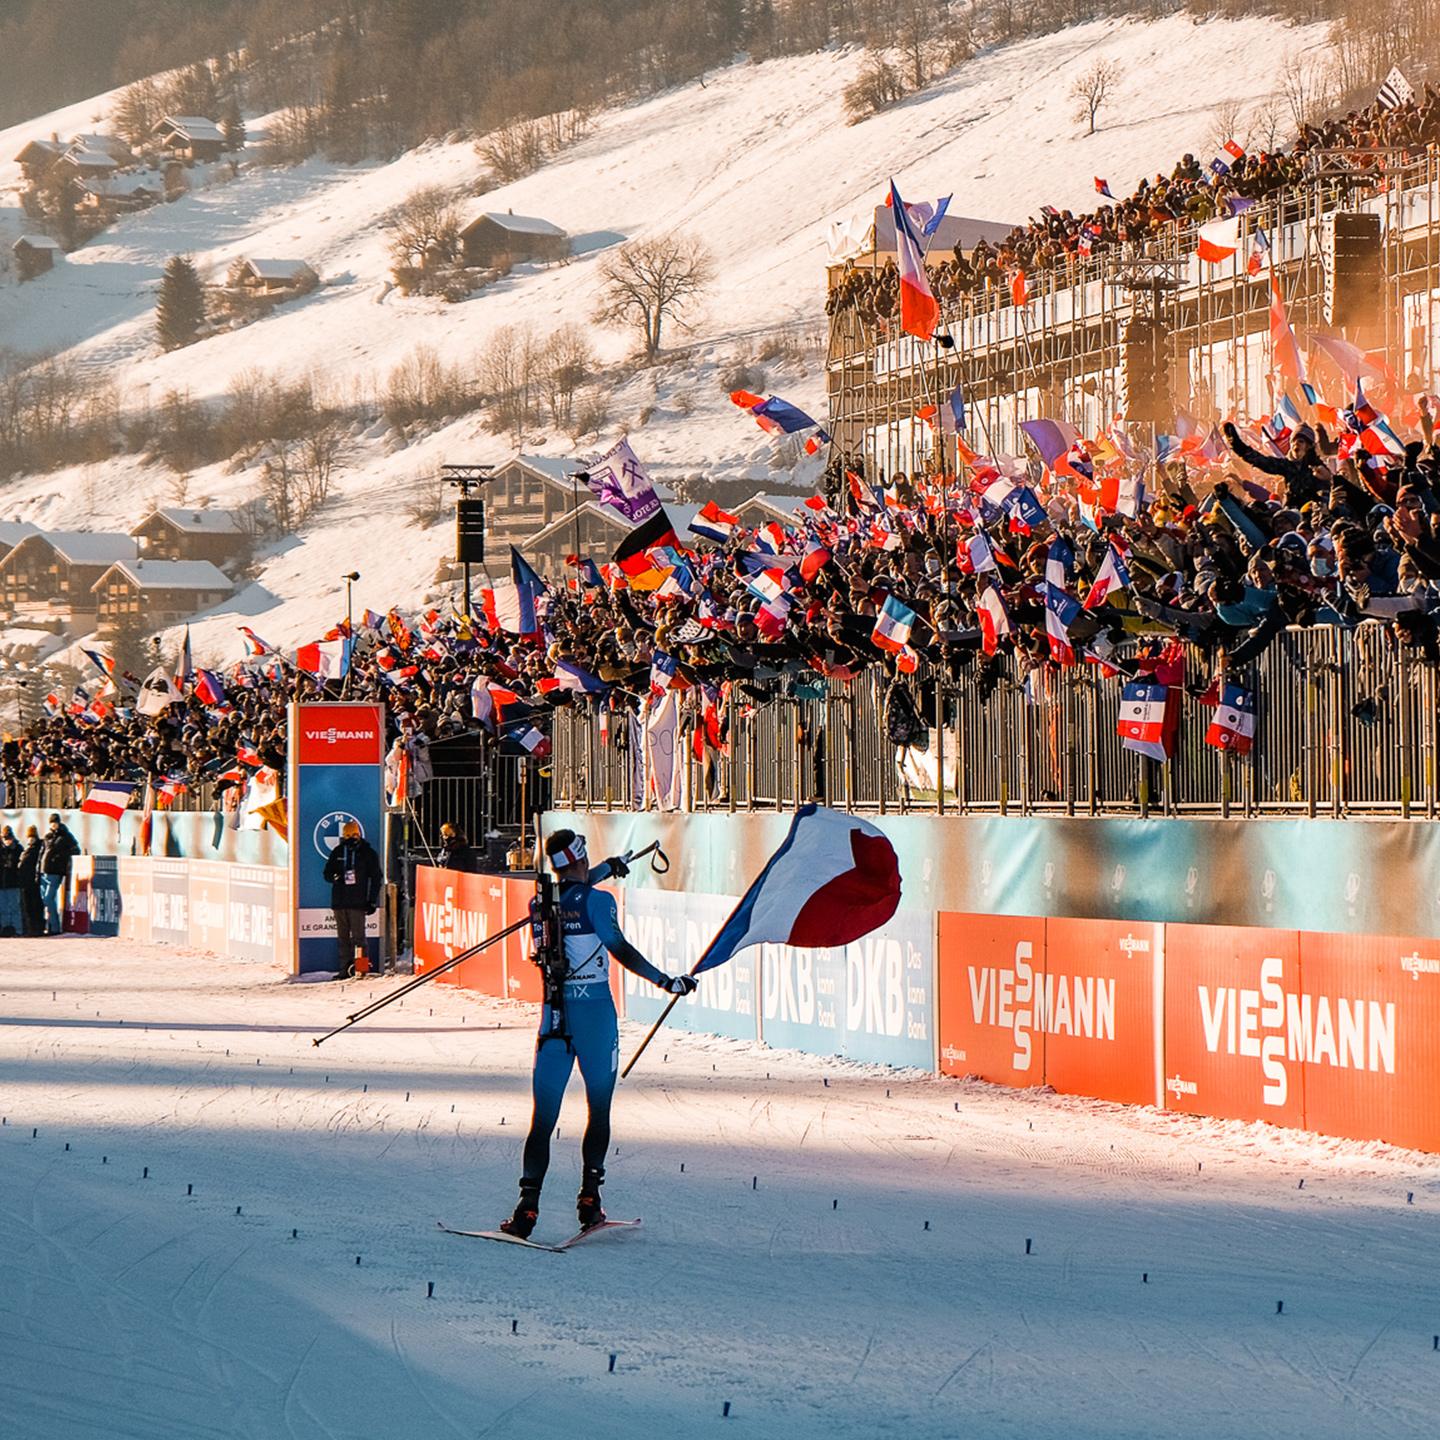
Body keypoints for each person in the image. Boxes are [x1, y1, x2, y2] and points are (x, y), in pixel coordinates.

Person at [500, 829, 697, 1239]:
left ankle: (527, 1209)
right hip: (595, 1019)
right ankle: (589, 1200)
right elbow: (619, 948)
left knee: (543, 1118)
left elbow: (574, 888)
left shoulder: (541, 903)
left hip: (554, 1018)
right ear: (581, 858)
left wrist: (608, 866)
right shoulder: (599, 900)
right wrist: (667, 982)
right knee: (599, 1109)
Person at [323, 821, 382, 979]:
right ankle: (344, 970)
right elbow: (327, 873)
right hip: (339, 902)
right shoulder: (338, 851)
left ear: (360, 835)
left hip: (357, 902)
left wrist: (371, 900)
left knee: (359, 938)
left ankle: (361, 969)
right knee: (343, 938)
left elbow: (376, 878)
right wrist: (335, 877)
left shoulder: (368, 853)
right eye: (348, 836)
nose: (351, 839)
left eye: (354, 835)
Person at [39, 814, 78, 937]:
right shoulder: (48, 836)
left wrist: (61, 859)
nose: (53, 824)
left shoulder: (65, 836)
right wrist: (38, 868)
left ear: (59, 823)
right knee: (47, 900)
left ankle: (55, 926)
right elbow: (42, 853)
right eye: (51, 822)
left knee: (48, 898)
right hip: (44, 870)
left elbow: (75, 850)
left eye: (55, 822)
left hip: (56, 872)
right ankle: (50, 925)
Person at [18, 826, 43, 937]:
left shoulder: (38, 848)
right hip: (25, 882)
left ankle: (37, 928)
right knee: (28, 906)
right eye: (29, 837)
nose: (30, 839)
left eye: (32, 837)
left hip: (34, 881)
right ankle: (31, 928)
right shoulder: (27, 849)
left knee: (35, 905)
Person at [0, 827, 21, 937]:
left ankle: (17, 929)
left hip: (13, 883)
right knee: (3, 908)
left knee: (14, 907)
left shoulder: (17, 849)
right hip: (2, 883)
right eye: (5, 839)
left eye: (9, 838)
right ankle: (5, 928)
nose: (7, 841)